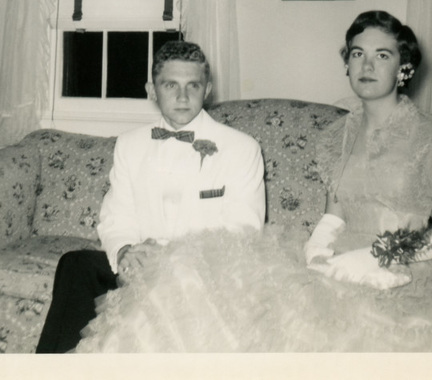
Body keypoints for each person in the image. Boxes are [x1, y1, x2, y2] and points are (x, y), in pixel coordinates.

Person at [74, 12, 432, 353]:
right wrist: (317, 255)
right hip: (336, 264)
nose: (367, 65)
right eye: (357, 54)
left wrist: (377, 257)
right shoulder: (339, 135)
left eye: (382, 55)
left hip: (407, 267)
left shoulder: (430, 134)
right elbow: (334, 214)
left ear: (405, 67)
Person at [35, 41, 265, 353]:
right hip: (138, 267)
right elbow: (117, 216)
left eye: (193, 85)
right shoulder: (130, 145)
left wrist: (170, 260)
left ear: (207, 89)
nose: (182, 97)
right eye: (170, 85)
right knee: (76, 265)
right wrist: (126, 252)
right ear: (151, 90)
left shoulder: (241, 148)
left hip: (203, 274)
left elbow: (243, 231)